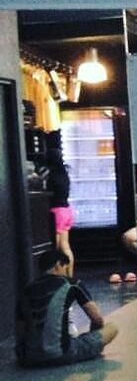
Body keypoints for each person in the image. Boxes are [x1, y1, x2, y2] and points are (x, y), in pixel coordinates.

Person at [16, 248, 118, 367]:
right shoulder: (72, 283)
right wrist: (93, 338)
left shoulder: (26, 290)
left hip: (29, 358)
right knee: (112, 328)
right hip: (62, 354)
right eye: (65, 268)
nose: (66, 273)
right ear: (58, 264)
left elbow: (20, 331)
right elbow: (97, 319)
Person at [45, 138, 75, 277]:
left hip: (57, 212)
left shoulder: (51, 175)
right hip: (67, 210)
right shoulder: (64, 173)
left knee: (56, 248)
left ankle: (57, 277)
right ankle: (70, 276)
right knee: (66, 247)